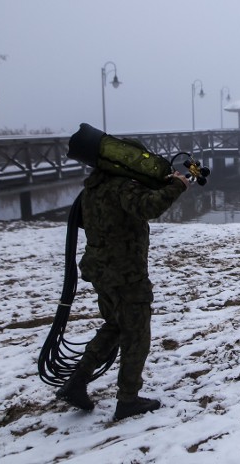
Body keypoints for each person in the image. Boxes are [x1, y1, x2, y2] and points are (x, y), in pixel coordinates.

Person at [56, 166, 190, 421]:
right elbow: (148, 208)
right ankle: (128, 399)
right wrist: (177, 186)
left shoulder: (94, 187)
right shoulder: (122, 186)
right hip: (125, 274)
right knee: (137, 334)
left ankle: (77, 381)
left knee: (116, 325)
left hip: (101, 271)